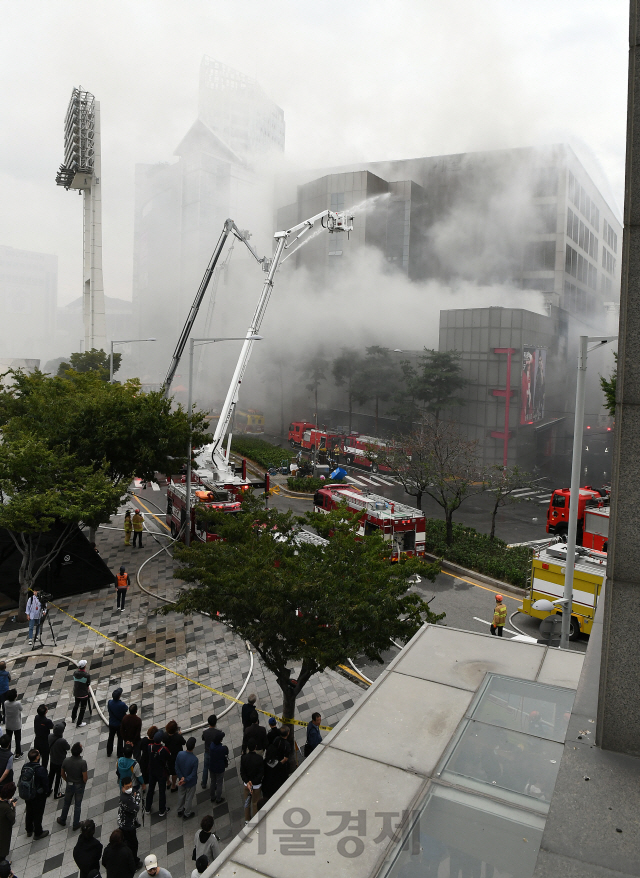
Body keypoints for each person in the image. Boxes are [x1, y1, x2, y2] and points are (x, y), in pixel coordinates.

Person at [57, 741, 88, 829]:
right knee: (77, 805)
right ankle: (76, 823)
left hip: (69, 784)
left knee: (66, 803)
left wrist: (67, 780)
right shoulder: (82, 762)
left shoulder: (66, 760)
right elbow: (85, 777)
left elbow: (62, 773)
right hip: (79, 785)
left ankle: (62, 819)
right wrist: (82, 783)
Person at [20, 748, 49, 839]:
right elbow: (45, 783)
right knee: (38, 813)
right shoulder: (40, 769)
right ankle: (38, 832)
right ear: (37, 758)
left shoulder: (25, 767)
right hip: (38, 795)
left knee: (29, 811)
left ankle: (29, 829)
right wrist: (46, 792)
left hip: (28, 794)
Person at [118, 777, 142, 869]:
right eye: (127, 787)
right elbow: (136, 808)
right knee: (133, 844)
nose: (130, 788)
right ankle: (134, 863)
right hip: (127, 825)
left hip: (127, 822)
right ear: (122, 787)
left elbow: (137, 793)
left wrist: (136, 797)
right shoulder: (125, 799)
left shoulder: (128, 794)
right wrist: (136, 798)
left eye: (131, 786)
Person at [145, 730, 170, 817]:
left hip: (152, 772)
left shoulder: (149, 747)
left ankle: (147, 808)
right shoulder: (164, 750)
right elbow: (168, 758)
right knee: (162, 791)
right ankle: (162, 810)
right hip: (161, 773)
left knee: (151, 789)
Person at [263, 727, 292, 801]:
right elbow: (285, 758)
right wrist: (279, 764)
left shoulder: (276, 739)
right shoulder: (287, 745)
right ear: (287, 733)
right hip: (280, 766)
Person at [240, 739, 263, 822]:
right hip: (256, 785)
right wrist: (253, 782)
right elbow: (260, 774)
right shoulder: (259, 758)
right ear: (255, 747)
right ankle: (255, 820)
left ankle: (247, 820)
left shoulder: (244, 758)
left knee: (247, 803)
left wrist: (248, 782)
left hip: (247, 785)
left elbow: (242, 772)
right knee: (255, 802)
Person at [175, 737, 198, 819]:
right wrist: (186, 780)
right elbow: (193, 773)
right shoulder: (194, 759)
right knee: (188, 798)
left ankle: (179, 810)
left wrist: (181, 778)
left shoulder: (180, 754)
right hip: (190, 782)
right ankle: (187, 813)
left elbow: (176, 767)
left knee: (181, 795)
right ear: (194, 747)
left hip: (181, 781)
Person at [48, 720, 70, 798]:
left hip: (52, 759)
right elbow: (68, 747)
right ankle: (57, 793)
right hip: (60, 761)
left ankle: (48, 790)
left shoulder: (50, 736)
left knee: (51, 775)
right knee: (59, 777)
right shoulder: (62, 741)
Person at [162, 720, 185, 793]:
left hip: (168, 755)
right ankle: (173, 786)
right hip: (176, 755)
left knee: (167, 769)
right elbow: (183, 742)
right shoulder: (178, 737)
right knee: (174, 772)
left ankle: (168, 782)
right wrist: (180, 734)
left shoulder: (165, 735)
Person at [208, 729, 228, 805]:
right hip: (219, 768)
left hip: (212, 767)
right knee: (219, 783)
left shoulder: (211, 745)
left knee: (213, 782)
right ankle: (218, 798)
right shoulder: (222, 748)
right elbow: (225, 753)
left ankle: (212, 796)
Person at [107, 688, 128, 757]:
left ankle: (109, 752)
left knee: (111, 737)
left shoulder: (109, 702)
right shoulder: (121, 704)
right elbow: (126, 708)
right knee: (120, 738)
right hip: (119, 724)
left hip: (112, 723)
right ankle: (119, 753)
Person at [72, 660, 92, 728]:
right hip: (84, 694)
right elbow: (88, 684)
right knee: (82, 708)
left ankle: (73, 717)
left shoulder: (75, 673)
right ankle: (79, 722)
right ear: (84, 666)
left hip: (76, 693)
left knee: (76, 705)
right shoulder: (87, 675)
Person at [33, 704, 53, 769]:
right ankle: (43, 771)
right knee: (45, 759)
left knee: (36, 758)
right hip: (45, 742)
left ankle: (36, 770)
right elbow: (52, 726)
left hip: (37, 741)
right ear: (46, 712)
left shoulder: (36, 717)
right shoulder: (47, 721)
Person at [200, 714, 217, 788]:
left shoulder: (205, 732)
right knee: (214, 770)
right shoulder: (217, 732)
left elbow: (203, 739)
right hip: (214, 753)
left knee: (205, 768)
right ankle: (214, 785)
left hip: (207, 752)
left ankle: (204, 783)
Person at [0, 783, 16, 861]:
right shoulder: (6, 807)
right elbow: (12, 818)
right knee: (3, 846)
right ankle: (3, 864)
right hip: (4, 830)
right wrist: (13, 807)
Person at [4, 692, 22, 760]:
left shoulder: (6, 703)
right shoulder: (17, 703)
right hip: (16, 724)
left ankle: (8, 753)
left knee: (8, 739)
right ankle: (18, 753)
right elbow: (21, 709)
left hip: (8, 724)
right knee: (17, 739)